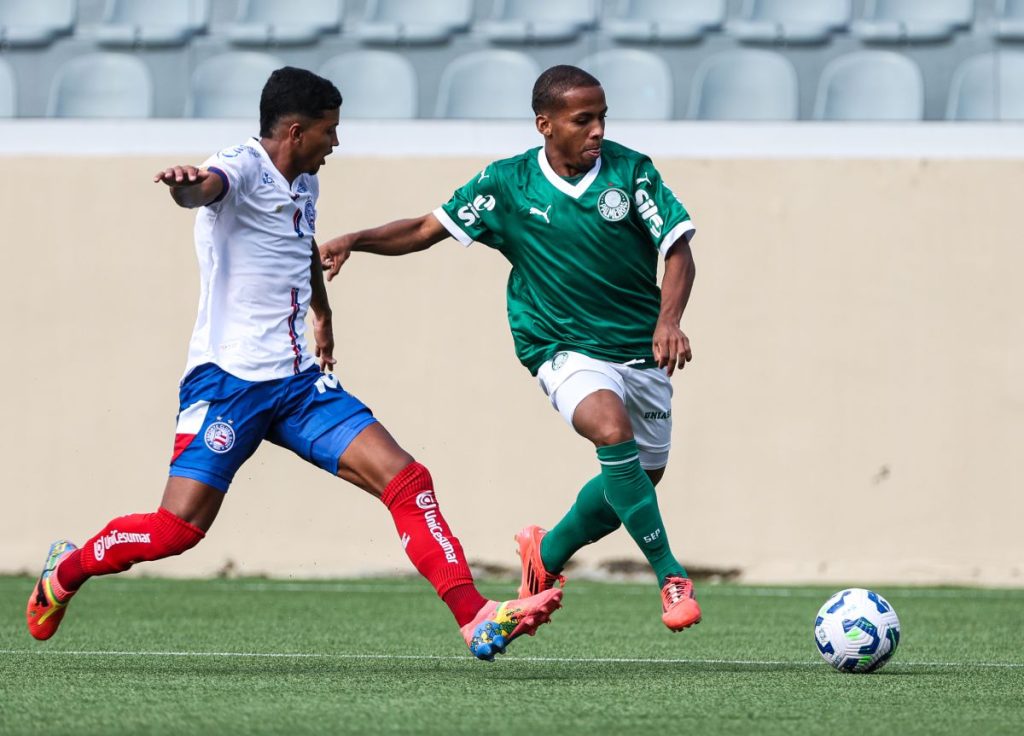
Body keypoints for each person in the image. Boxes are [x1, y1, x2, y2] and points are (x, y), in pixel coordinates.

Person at [25, 67, 562, 661]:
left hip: (300, 383)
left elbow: (300, 245)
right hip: (228, 383)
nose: (336, 142)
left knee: (407, 480)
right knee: (176, 530)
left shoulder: (304, 182)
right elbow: (205, 189)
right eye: (330, 130)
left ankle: (475, 616)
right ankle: (65, 571)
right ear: (297, 131)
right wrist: (184, 186)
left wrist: (322, 313)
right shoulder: (240, 166)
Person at [317, 65, 702, 632]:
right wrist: (356, 239)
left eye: (602, 117)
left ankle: (547, 553)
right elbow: (425, 228)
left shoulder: (631, 172)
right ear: (545, 124)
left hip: (639, 346)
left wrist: (669, 320)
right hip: (559, 342)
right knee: (610, 429)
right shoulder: (507, 184)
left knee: (641, 478)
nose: (597, 130)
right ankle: (671, 575)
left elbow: (678, 248)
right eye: (583, 119)